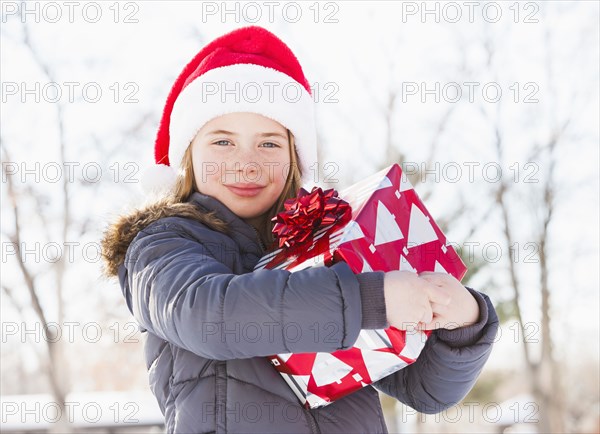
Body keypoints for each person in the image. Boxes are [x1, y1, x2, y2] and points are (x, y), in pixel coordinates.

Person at [100, 25, 499, 434]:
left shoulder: (326, 246)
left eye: (270, 144)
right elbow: (210, 317)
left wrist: (463, 321)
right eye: (222, 142)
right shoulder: (162, 243)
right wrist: (374, 297)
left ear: (294, 158)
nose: (247, 162)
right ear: (187, 155)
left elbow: (425, 389)